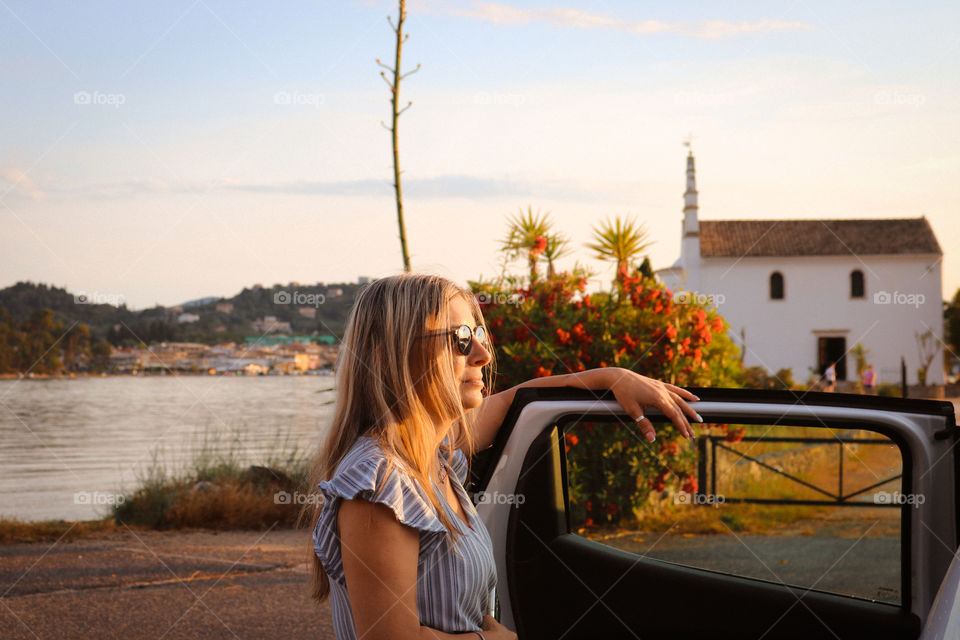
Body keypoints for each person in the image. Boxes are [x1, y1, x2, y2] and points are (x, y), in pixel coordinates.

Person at [304, 273, 701, 639]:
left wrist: (611, 376)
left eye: (479, 334)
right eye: (459, 338)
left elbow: (517, 400)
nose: (482, 354)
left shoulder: (432, 454)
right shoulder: (380, 482)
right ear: (392, 354)